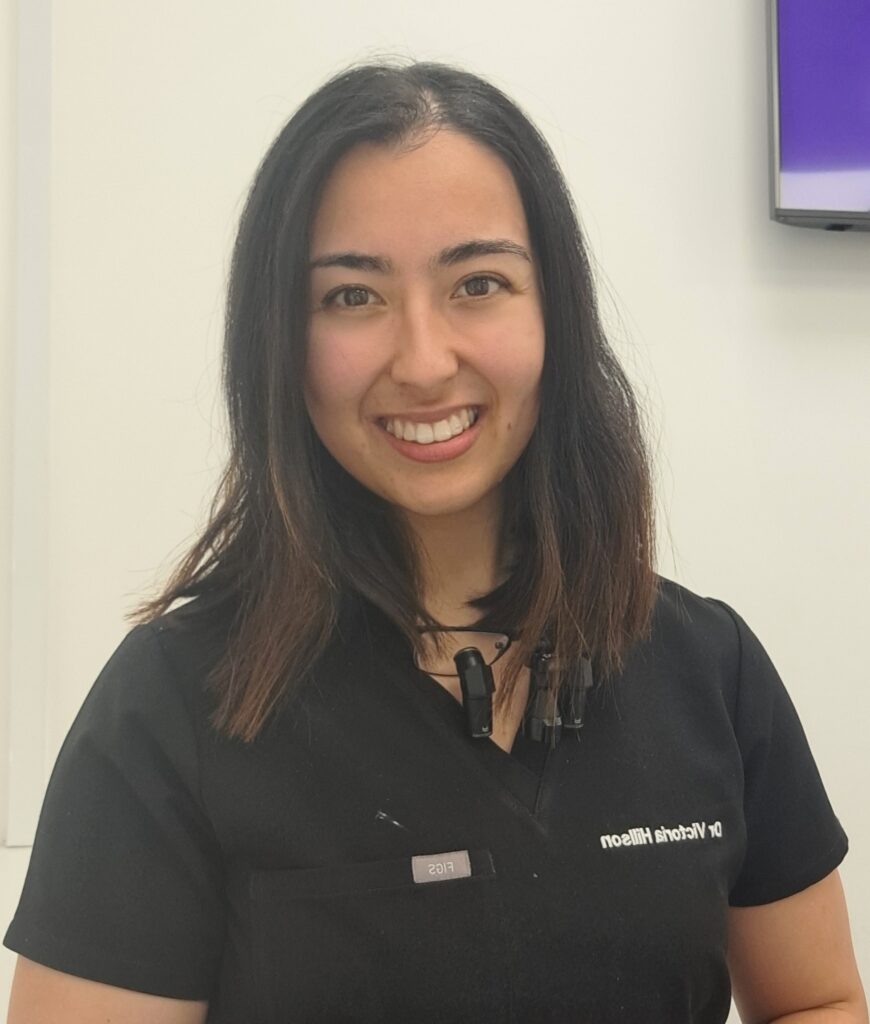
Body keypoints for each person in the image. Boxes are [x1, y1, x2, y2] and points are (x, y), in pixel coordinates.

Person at [4, 61, 867, 1024]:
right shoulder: (173, 706)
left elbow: (818, 1000)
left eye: (478, 283)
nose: (422, 361)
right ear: (279, 339)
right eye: (352, 297)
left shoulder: (710, 669)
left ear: (556, 312)